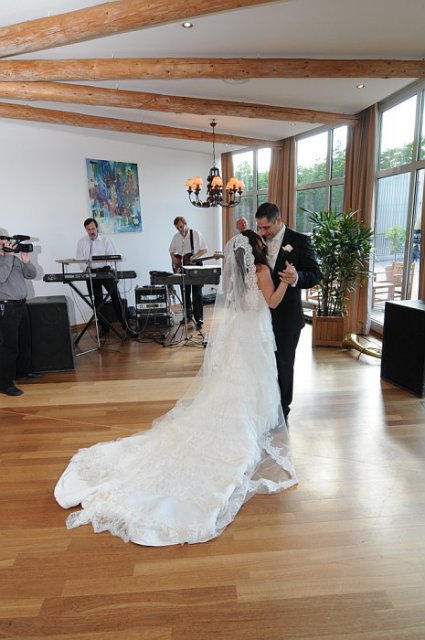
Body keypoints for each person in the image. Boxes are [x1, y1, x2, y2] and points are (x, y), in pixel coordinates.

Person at [54, 230, 297, 546]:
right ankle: (249, 425)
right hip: (256, 335)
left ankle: (244, 420)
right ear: (255, 248)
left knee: (234, 382)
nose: (263, 242)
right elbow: (272, 302)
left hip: (241, 335)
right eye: (260, 240)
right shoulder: (262, 270)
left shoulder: (238, 272)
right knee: (253, 381)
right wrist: (286, 282)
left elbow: (241, 304)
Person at [255, 202, 322, 424]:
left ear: (278, 220)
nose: (262, 232)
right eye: (259, 227)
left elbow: (315, 275)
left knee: (284, 364)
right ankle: (266, 404)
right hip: (261, 317)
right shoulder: (258, 241)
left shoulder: (300, 241)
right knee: (264, 363)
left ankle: (283, 409)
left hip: (287, 318)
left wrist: (296, 278)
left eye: (266, 227)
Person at [76, 218, 137, 339]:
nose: (91, 231)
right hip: (91, 273)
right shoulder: (82, 242)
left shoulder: (105, 240)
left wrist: (111, 268)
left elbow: (112, 256)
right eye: (88, 229)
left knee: (116, 298)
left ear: (97, 228)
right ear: (86, 230)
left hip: (105, 271)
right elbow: (79, 259)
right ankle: (104, 328)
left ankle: (126, 326)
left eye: (93, 229)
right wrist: (85, 268)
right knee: (97, 302)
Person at [0, 237, 37, 396]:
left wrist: (27, 262)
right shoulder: (8, 258)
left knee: (24, 341)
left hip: (21, 305)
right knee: (9, 347)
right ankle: (5, 384)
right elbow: (1, 277)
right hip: (6, 307)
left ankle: (22, 372)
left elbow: (31, 275)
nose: (4, 242)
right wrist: (8, 256)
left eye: (4, 239)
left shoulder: (14, 259)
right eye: (0, 240)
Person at [169, 216, 208, 330]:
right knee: (184, 291)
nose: (180, 230)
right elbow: (171, 251)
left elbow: (205, 249)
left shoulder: (195, 233)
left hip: (196, 265)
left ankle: (199, 318)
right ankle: (187, 316)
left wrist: (195, 256)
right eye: (178, 228)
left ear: (186, 224)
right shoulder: (176, 237)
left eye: (181, 227)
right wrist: (176, 263)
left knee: (197, 292)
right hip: (183, 266)